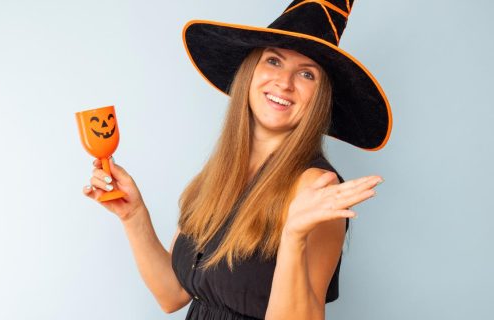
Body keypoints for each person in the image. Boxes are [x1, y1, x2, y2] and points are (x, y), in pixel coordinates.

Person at [83, 1, 392, 319]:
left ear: (320, 97)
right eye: (274, 60)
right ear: (250, 71)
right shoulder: (220, 171)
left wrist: (293, 237)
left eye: (306, 74)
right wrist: (134, 216)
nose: (284, 82)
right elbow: (172, 294)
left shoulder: (315, 187)